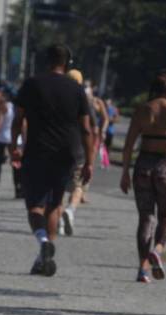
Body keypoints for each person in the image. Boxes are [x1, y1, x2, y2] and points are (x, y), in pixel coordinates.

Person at [11, 44, 93, 276]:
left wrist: (14, 146)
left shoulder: (32, 84)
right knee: (55, 205)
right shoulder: (77, 89)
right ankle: (43, 259)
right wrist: (89, 161)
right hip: (66, 154)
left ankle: (43, 241)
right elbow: (86, 129)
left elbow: (18, 119)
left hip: (37, 152)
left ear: (47, 60)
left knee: (34, 206)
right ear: (68, 63)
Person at [119, 70, 166, 283]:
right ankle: (158, 250)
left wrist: (124, 172)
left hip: (144, 164)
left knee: (145, 217)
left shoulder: (143, 110)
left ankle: (143, 269)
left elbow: (129, 144)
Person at [60, 69, 92, 235]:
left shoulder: (56, 98)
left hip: (57, 147)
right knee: (78, 186)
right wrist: (91, 157)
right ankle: (70, 210)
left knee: (57, 187)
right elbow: (89, 129)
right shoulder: (84, 100)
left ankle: (58, 222)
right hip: (78, 149)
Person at [0, 86, 21, 195]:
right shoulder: (17, 108)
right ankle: (17, 186)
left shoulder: (3, 107)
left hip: (2, 137)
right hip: (14, 137)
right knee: (15, 162)